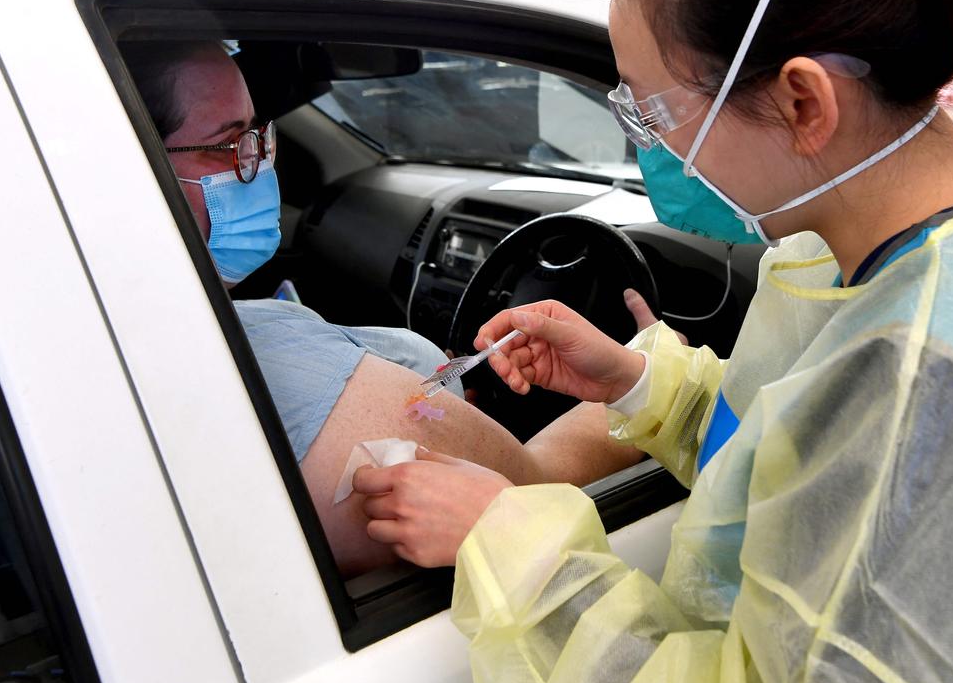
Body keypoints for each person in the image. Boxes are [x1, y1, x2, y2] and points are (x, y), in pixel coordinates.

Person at [355, 0, 953, 683]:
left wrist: (507, 543)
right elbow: (795, 452)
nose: (653, 148)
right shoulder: (824, 250)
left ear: (803, 102)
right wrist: (643, 385)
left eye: (653, 109)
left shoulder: (926, 374)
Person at [119, 40, 646, 576]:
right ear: (135, 170)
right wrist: (646, 381)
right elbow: (534, 491)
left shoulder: (125, 334)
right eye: (227, 145)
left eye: (258, 135)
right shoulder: (266, 361)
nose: (255, 162)